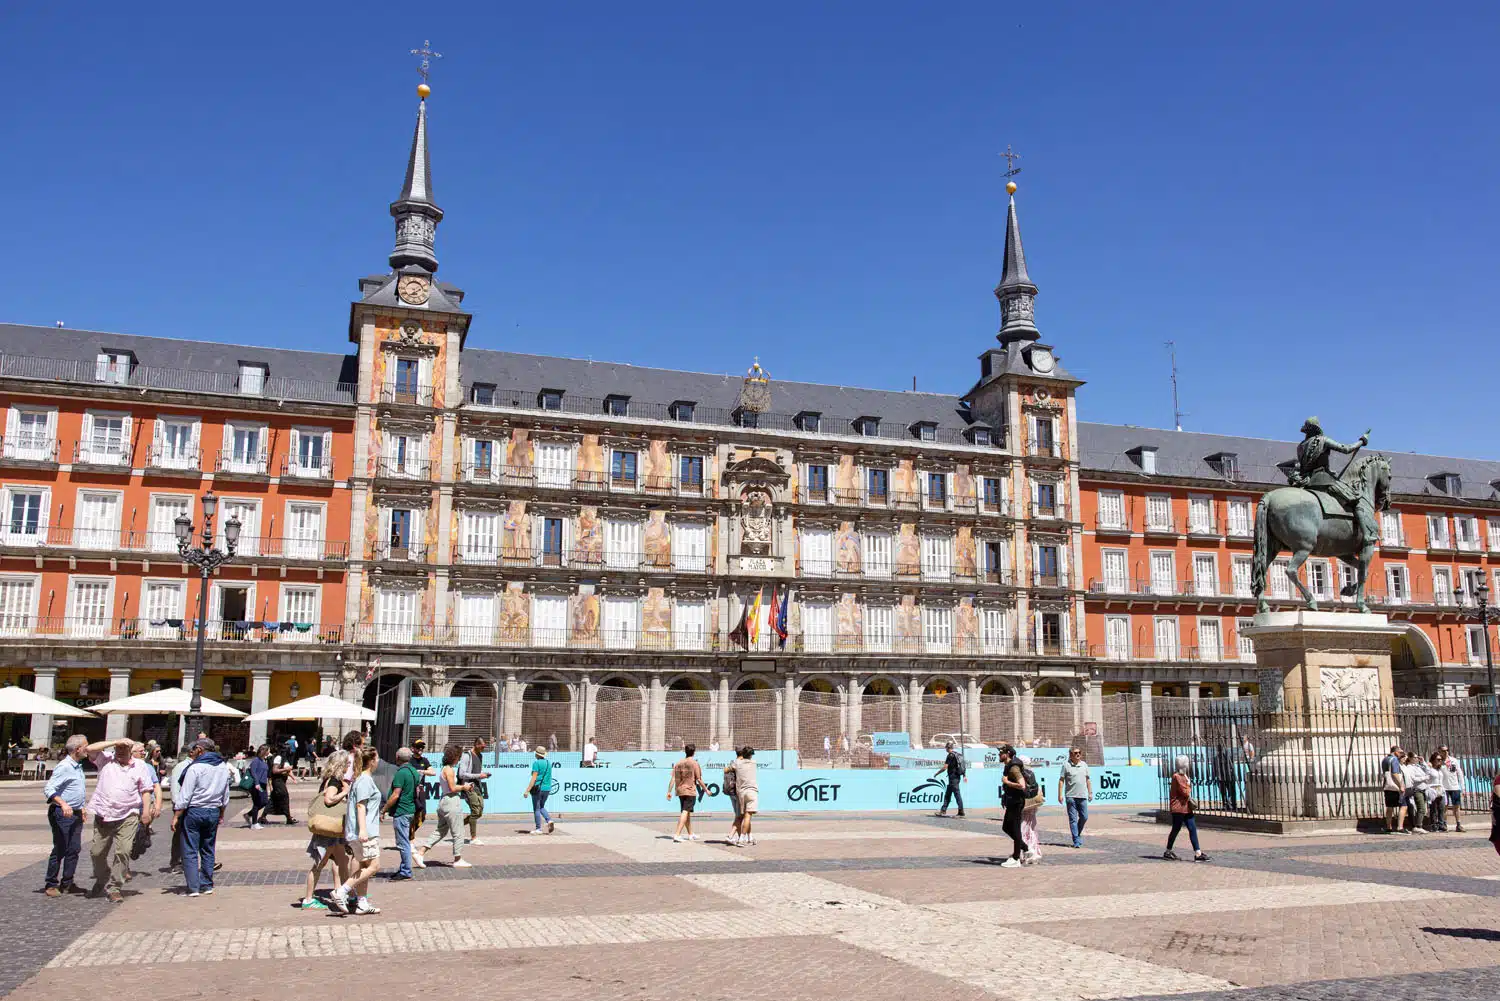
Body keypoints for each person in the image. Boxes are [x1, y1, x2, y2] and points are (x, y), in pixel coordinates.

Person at [84, 738, 153, 902]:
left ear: (131, 749)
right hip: (104, 814)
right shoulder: (106, 760)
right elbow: (89, 749)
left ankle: (115, 886)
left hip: (128, 814)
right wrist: (115, 741)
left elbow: (145, 790)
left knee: (123, 851)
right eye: (118, 748)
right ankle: (102, 877)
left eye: (124, 748)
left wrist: (146, 812)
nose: (120, 751)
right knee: (97, 852)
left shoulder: (140, 766)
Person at [173, 738, 233, 897]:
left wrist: (176, 815)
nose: (191, 753)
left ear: (200, 749)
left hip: (195, 810)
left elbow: (185, 795)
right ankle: (206, 884)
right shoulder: (222, 766)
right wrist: (221, 812)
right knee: (208, 848)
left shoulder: (195, 767)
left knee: (190, 849)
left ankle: (193, 887)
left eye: (193, 750)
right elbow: (225, 795)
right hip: (213, 810)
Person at [333, 746, 383, 915]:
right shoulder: (364, 780)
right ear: (372, 761)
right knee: (374, 866)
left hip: (363, 829)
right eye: (377, 759)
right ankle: (342, 891)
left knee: (363, 865)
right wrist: (363, 830)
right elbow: (361, 805)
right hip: (365, 830)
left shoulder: (361, 779)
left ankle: (362, 901)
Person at [300, 750, 351, 910]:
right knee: (319, 863)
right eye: (347, 763)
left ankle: (343, 892)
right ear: (340, 764)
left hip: (334, 830)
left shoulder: (332, 780)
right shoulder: (334, 782)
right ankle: (308, 899)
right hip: (329, 829)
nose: (349, 766)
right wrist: (345, 792)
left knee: (341, 862)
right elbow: (329, 800)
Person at [42, 734, 89, 897]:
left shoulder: (78, 765)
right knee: (61, 848)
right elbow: (49, 789)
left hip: (75, 813)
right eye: (86, 746)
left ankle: (67, 882)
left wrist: (81, 807)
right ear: (78, 749)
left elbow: (75, 790)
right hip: (62, 813)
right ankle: (51, 883)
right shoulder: (65, 766)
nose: (88, 749)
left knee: (74, 848)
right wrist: (63, 804)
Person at [416, 744, 473, 869]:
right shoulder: (450, 770)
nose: (459, 760)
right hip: (451, 802)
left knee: (441, 830)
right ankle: (457, 858)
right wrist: (464, 787)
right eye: (458, 757)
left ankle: (421, 852)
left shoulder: (444, 769)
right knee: (458, 832)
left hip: (443, 801)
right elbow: (453, 788)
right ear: (455, 757)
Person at [1164, 755, 1210, 862]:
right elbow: (1185, 792)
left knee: (1192, 828)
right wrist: (1189, 785)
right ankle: (1168, 851)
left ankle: (1198, 853)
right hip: (1179, 809)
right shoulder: (1177, 777)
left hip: (1186, 808)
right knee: (1176, 829)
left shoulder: (1184, 776)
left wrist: (1188, 783)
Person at [383, 747, 420, 879]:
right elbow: (417, 791)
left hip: (402, 810)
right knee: (405, 840)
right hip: (410, 809)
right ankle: (404, 867)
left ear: (398, 758)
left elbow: (395, 794)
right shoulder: (414, 771)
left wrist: (384, 809)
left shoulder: (401, 773)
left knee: (403, 842)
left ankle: (405, 871)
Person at [997, 744, 1027, 868]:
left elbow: (1022, 785)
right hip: (1012, 801)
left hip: (1017, 801)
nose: (999, 755)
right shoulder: (1008, 766)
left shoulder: (1014, 768)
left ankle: (1016, 858)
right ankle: (1025, 848)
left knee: (1015, 828)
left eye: (1001, 753)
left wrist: (1007, 782)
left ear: (1008, 754)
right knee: (1006, 827)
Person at [668, 743, 704, 843]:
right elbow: (699, 779)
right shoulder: (694, 763)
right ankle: (677, 834)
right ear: (694, 752)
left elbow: (673, 778)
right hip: (689, 790)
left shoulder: (678, 763)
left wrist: (669, 791)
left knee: (686, 811)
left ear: (685, 751)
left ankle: (690, 834)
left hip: (680, 790)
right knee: (685, 811)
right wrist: (706, 790)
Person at [458, 738, 491, 847]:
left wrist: (483, 774)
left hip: (478, 786)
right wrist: (478, 775)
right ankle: (473, 837)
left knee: (479, 811)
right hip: (469, 786)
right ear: (476, 745)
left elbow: (477, 771)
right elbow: (462, 774)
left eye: (484, 747)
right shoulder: (467, 755)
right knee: (475, 810)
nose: (483, 749)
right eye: (482, 747)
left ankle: (458, 825)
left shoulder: (480, 756)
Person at [1058, 746, 1093, 848]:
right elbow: (1061, 780)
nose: (1078, 754)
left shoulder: (1084, 765)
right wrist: (1060, 795)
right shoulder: (1066, 765)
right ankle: (1076, 840)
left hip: (1082, 796)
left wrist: (1090, 792)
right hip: (1070, 797)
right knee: (1073, 819)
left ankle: (1077, 834)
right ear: (1070, 755)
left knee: (1084, 816)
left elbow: (1088, 780)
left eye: (1079, 752)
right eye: (1075, 753)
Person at [521, 747, 556, 835]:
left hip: (538, 788)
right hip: (547, 788)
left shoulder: (536, 763)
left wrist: (527, 791)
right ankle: (549, 820)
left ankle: (538, 828)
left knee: (536, 809)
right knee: (541, 806)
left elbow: (534, 778)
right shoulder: (548, 763)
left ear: (537, 754)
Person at [731, 746, 758, 846]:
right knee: (748, 816)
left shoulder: (737, 763)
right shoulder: (754, 763)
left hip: (741, 793)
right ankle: (741, 838)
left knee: (745, 816)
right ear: (751, 755)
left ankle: (750, 837)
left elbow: (727, 769)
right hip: (751, 791)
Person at [409, 738, 435, 839]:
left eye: (422, 747)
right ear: (412, 748)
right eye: (418, 747)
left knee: (422, 815)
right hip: (411, 790)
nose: (420, 749)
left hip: (421, 789)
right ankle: (410, 838)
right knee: (412, 814)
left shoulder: (424, 760)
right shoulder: (409, 760)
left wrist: (421, 771)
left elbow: (432, 772)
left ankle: (410, 834)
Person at [933, 741, 966, 818]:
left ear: (948, 748)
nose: (945, 749)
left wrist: (937, 773)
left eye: (946, 748)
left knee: (957, 795)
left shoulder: (950, 756)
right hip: (956, 777)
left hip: (953, 778)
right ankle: (943, 810)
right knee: (948, 794)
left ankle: (961, 812)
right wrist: (964, 775)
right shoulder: (957, 754)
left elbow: (945, 767)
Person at [1381, 744, 1407, 834]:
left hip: (1387, 786)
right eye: (1400, 752)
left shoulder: (1385, 759)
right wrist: (1401, 786)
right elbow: (1395, 773)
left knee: (1389, 807)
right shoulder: (1394, 759)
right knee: (1403, 806)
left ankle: (1388, 827)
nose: (1401, 754)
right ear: (1396, 752)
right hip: (1395, 787)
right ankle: (1400, 827)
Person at [267, 744, 296, 824]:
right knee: (285, 797)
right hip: (277, 781)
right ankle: (288, 818)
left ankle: (263, 816)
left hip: (282, 781)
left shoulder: (285, 758)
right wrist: (286, 769)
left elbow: (288, 770)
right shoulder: (278, 758)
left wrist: (293, 777)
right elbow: (274, 770)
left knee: (273, 799)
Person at [1439, 746, 1465, 833]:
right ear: (1439, 751)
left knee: (1456, 806)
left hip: (1454, 787)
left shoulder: (1453, 760)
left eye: (1447, 750)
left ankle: (1458, 824)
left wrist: (1462, 787)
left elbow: (1459, 773)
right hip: (1444, 787)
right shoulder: (1438, 761)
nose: (1446, 752)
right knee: (1444, 807)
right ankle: (1444, 824)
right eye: (1443, 750)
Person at [1401, 752, 1428, 833]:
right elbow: (1413, 779)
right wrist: (1425, 778)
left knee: (1422, 808)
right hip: (1416, 789)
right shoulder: (1409, 767)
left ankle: (1418, 825)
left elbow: (1428, 771)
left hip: (1423, 788)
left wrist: (1423, 762)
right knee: (1421, 808)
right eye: (1415, 757)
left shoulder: (1418, 766)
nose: (1417, 759)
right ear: (1410, 758)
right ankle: (1418, 826)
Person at [245, 745, 270, 829]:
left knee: (265, 801)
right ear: (264, 751)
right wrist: (256, 783)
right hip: (257, 784)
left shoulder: (264, 760)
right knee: (257, 802)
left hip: (263, 784)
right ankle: (254, 823)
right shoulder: (256, 760)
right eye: (268, 750)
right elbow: (253, 772)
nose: (269, 752)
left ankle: (248, 814)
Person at [722, 753, 744, 845]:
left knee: (737, 816)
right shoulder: (740, 763)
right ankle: (730, 836)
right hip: (738, 792)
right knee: (740, 817)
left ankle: (739, 837)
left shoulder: (732, 763)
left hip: (731, 792)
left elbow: (725, 770)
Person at [1424, 751, 1448, 832]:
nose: (1440, 761)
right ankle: (1434, 824)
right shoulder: (1430, 769)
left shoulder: (1440, 769)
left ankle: (1441, 824)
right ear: (1433, 760)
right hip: (1433, 790)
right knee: (1433, 808)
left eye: (1440, 759)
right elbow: (1426, 777)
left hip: (1440, 790)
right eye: (1438, 759)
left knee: (1441, 808)